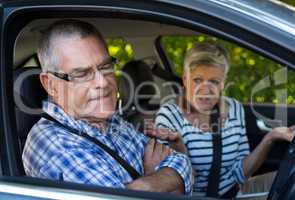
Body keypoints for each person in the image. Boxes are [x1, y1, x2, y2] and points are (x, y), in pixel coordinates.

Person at [22, 20, 193, 195]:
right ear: (50, 84)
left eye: (105, 66)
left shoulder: (109, 119)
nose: (102, 82)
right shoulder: (57, 146)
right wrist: (151, 183)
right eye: (81, 74)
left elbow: (181, 163)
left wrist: (143, 185)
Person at [149, 42, 295, 197]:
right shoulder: (169, 116)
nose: (206, 90)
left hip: (234, 194)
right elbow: (170, 185)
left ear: (223, 83)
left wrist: (271, 137)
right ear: (185, 78)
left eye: (214, 81)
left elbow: (240, 173)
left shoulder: (234, 108)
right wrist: (180, 149)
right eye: (198, 80)